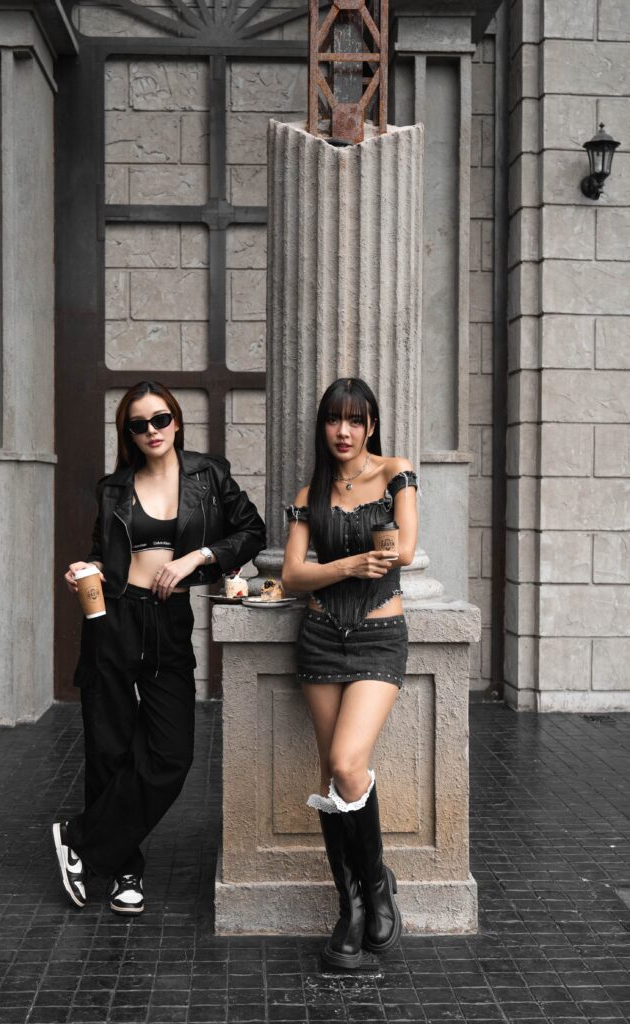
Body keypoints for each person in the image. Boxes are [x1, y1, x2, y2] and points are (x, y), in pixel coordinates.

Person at [53, 380, 266, 915]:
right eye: (139, 424)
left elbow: (252, 531)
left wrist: (196, 559)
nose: (152, 431)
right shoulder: (113, 488)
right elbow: (108, 556)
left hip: (169, 620)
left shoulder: (208, 475)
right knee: (112, 746)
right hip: (114, 616)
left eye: (161, 419)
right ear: (127, 433)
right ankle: (126, 868)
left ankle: (78, 838)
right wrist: (88, 568)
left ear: (176, 420)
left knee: (172, 753)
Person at [282, 377, 418, 969]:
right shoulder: (309, 493)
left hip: (378, 637)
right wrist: (350, 564)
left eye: (356, 420)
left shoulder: (396, 474)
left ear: (371, 426)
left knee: (346, 765)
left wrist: (353, 563)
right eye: (335, 420)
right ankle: (352, 905)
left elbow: (405, 552)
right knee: (332, 777)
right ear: (323, 426)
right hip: (318, 640)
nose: (345, 431)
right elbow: (291, 575)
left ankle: (378, 882)